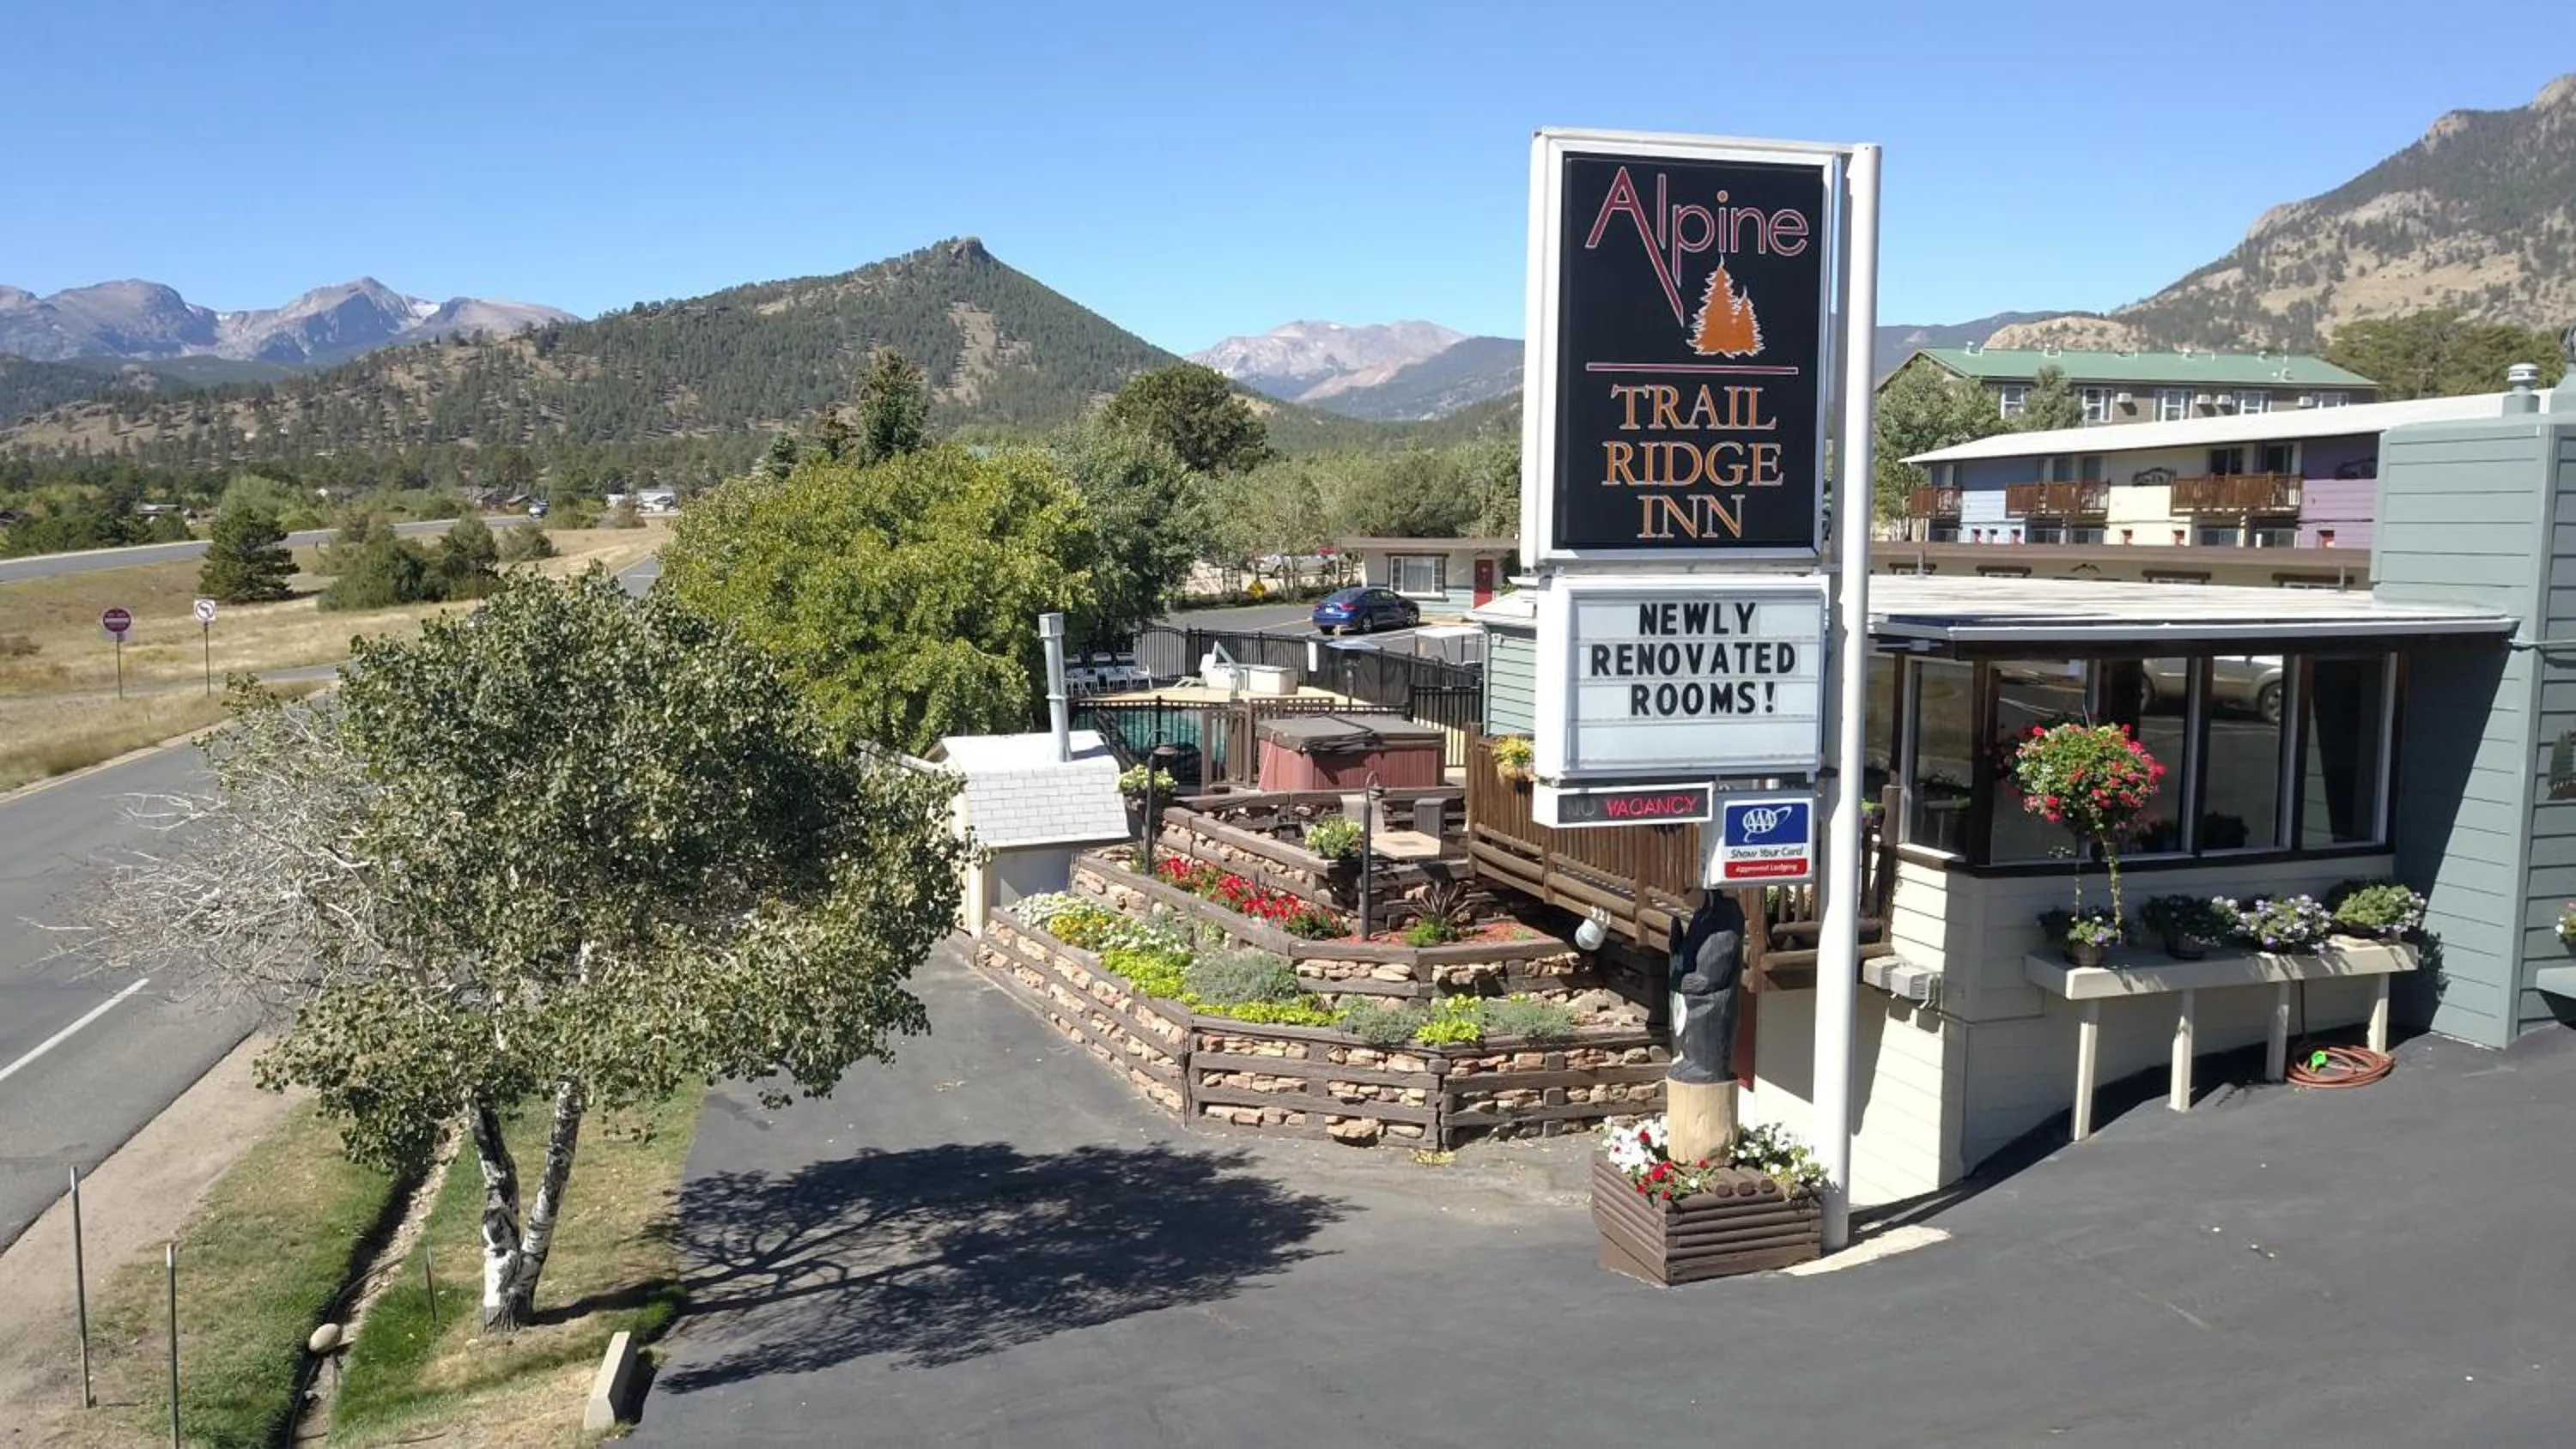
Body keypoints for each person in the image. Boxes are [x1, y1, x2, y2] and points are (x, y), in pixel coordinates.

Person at [1667, 888, 1746, 1085]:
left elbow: (1719, 955)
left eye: (1687, 891)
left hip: (1713, 993)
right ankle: (1694, 1060)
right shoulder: (1702, 914)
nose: (1683, 898)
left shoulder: (1725, 915)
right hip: (1698, 989)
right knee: (1693, 1026)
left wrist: (1702, 978)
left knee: (1707, 1020)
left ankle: (1706, 1067)